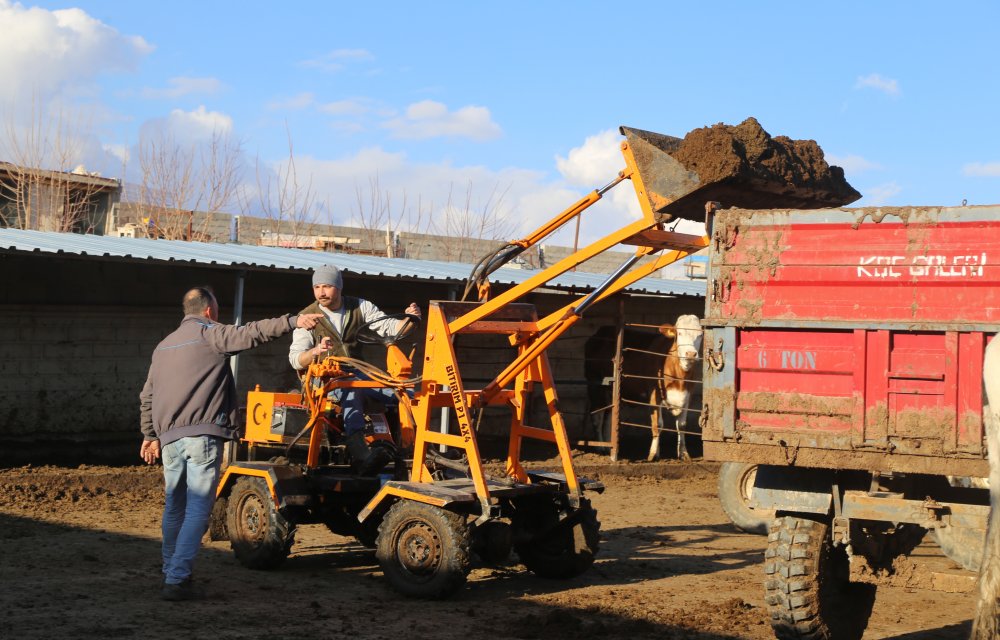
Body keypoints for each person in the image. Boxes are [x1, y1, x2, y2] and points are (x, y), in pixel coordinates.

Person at [139, 286, 323, 601]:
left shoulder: (163, 346)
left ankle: (171, 569)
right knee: (198, 508)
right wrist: (293, 321)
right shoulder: (211, 334)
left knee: (175, 506)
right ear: (210, 310)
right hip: (202, 437)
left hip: (168, 439)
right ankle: (176, 579)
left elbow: (147, 395)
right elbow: (253, 333)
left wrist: (149, 435)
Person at [288, 264, 420, 475]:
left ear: (339, 287)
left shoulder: (360, 307)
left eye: (327, 286)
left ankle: (414, 448)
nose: (321, 292)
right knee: (352, 390)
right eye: (317, 287)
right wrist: (315, 351)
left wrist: (409, 319)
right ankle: (360, 454)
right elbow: (295, 359)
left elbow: (389, 328)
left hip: (357, 371)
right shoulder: (307, 317)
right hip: (323, 377)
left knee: (402, 391)